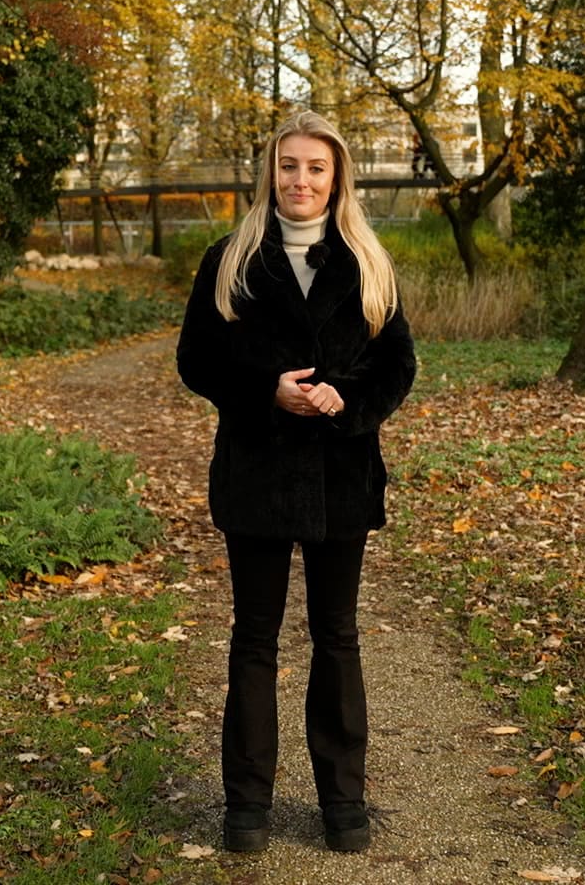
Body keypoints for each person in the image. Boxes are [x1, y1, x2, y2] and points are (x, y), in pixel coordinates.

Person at [176, 110, 417, 855]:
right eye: (289, 166)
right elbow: (196, 361)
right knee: (254, 638)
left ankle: (343, 805)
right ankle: (245, 808)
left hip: (342, 478)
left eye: (315, 167)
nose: (301, 180)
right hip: (256, 476)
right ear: (270, 173)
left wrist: (348, 400)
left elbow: (397, 365)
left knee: (336, 636)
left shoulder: (368, 261)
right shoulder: (230, 260)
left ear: (336, 177)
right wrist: (265, 393)